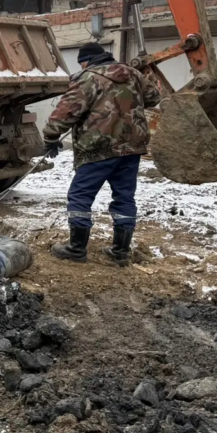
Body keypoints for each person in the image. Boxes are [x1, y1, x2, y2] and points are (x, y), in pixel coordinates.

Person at [42, 42, 160, 266]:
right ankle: (120, 252)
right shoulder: (133, 74)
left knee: (80, 196)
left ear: (85, 61)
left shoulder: (88, 77)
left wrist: (50, 137)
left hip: (98, 148)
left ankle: (76, 248)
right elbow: (154, 97)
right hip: (131, 147)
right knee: (124, 197)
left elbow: (67, 110)